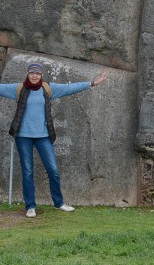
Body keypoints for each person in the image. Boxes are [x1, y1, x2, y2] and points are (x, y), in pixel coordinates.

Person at [0, 62, 106, 217]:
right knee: (27, 171)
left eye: (37, 73)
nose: (34, 76)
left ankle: (59, 203)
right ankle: (30, 206)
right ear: (28, 74)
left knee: (53, 170)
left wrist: (92, 83)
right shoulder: (19, 88)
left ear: (41, 75)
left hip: (43, 136)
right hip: (23, 137)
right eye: (32, 73)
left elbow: (70, 88)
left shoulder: (48, 88)